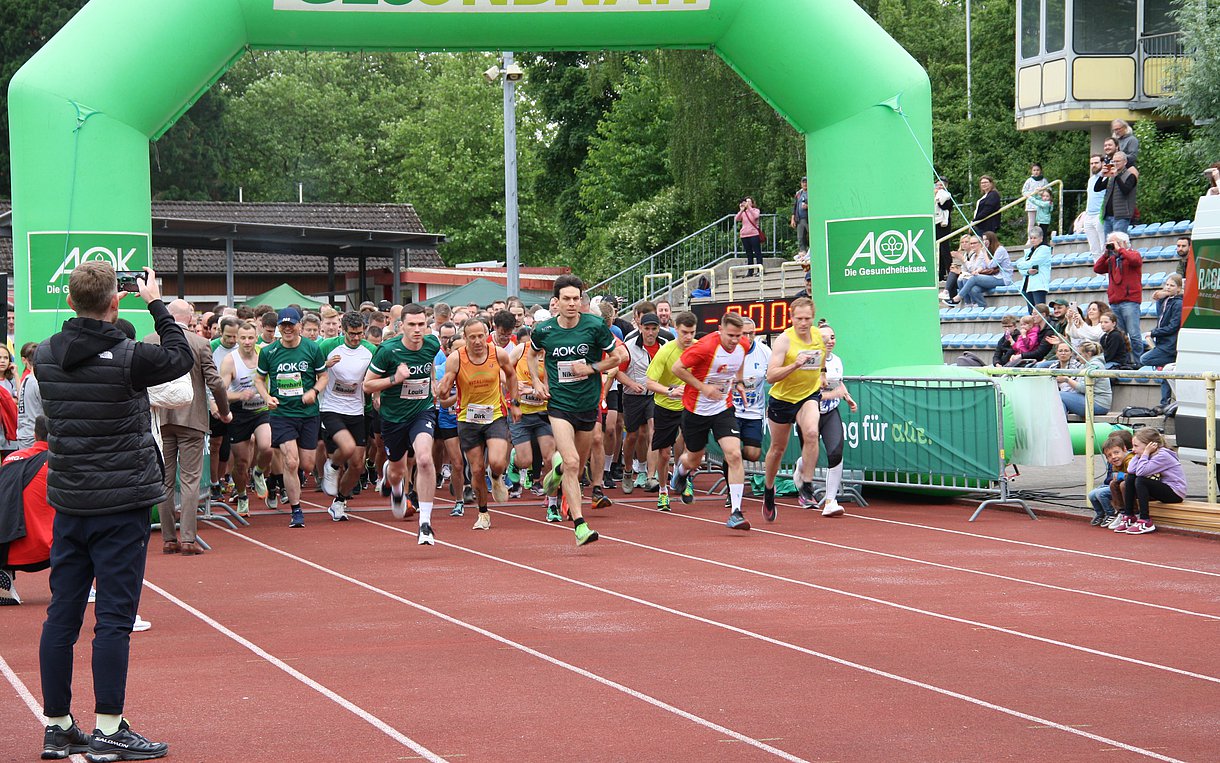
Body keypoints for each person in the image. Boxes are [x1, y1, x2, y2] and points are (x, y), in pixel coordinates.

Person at [35, 263, 189, 761]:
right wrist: (156, 302)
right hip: (120, 503)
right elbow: (179, 357)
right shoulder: (129, 357)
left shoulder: (44, 355)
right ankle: (108, 727)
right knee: (114, 620)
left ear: (72, 300)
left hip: (70, 501)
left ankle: (58, 726)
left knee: (61, 615)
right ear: (115, 301)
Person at [528, 275, 627, 546]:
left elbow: (618, 358)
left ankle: (554, 477)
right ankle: (580, 525)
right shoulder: (544, 330)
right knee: (571, 462)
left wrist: (591, 368)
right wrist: (536, 381)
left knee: (576, 467)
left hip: (588, 406)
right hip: (559, 405)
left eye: (576, 298)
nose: (572, 304)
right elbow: (531, 354)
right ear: (556, 302)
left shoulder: (594, 326)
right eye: (566, 299)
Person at [146, 299, 232, 556]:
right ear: (190, 318)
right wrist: (224, 411)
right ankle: (187, 539)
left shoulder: (150, 340)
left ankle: (168, 538)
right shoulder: (199, 343)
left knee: (164, 478)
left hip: (160, 418)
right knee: (191, 479)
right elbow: (215, 383)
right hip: (191, 418)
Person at [364, 304, 441, 542]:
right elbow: (367, 385)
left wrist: (433, 383)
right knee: (398, 471)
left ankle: (425, 523)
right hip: (394, 417)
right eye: (412, 325)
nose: (417, 330)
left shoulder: (432, 344)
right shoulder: (388, 350)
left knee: (425, 459)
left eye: (421, 324)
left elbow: (428, 369)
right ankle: (396, 489)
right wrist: (395, 379)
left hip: (422, 411)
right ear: (401, 326)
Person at [667, 312, 752, 530]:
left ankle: (736, 511)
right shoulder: (705, 347)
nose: (734, 340)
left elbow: (739, 361)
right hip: (696, 410)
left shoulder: (743, 343)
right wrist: (703, 387)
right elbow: (677, 368)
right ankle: (682, 471)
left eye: (738, 335)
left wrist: (739, 382)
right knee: (695, 459)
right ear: (720, 330)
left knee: (734, 453)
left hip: (723, 407)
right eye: (730, 335)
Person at [436, 317, 520, 535]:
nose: (477, 341)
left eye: (480, 336)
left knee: (497, 462)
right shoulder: (456, 358)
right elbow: (446, 388)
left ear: (486, 335)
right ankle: (483, 513)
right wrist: (443, 389)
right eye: (471, 337)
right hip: (468, 419)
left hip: (495, 415)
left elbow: (512, 375)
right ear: (465, 338)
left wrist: (515, 403)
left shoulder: (498, 354)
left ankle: (497, 477)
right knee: (476, 469)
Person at [253, 307, 328, 529]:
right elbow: (259, 379)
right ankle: (296, 510)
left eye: (291, 325)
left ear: (299, 326)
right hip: (282, 414)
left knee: (307, 464)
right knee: (291, 461)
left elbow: (323, 376)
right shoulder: (269, 352)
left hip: (308, 414)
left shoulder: (312, 348)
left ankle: (278, 480)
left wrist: (313, 392)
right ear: (278, 328)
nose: (287, 329)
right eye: (283, 326)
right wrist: (266, 396)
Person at [762, 297, 826, 515]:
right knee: (778, 448)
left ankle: (806, 485)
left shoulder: (818, 335)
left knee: (811, 432)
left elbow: (822, 359)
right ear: (791, 318)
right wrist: (795, 364)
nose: (803, 323)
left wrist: (823, 374)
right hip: (783, 399)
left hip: (808, 395)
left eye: (807, 318)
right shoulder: (784, 341)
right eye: (799, 318)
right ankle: (769, 489)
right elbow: (770, 376)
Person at [318, 312, 377, 522]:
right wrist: (325, 364)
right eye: (352, 334)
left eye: (360, 333)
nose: (356, 338)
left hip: (357, 410)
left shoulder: (370, 350)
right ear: (343, 330)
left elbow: (376, 375)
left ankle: (340, 502)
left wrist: (376, 395)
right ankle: (332, 466)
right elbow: (312, 369)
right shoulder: (327, 346)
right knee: (347, 447)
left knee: (358, 464)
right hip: (331, 407)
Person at [645, 311, 697, 512]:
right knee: (664, 453)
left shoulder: (699, 347)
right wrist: (670, 391)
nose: (688, 337)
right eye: (684, 332)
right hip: (665, 405)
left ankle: (684, 478)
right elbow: (649, 382)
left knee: (690, 448)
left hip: (690, 405)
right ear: (676, 330)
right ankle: (664, 490)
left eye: (691, 332)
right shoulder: (666, 351)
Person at [219, 321, 272, 518]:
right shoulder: (230, 361)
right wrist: (240, 396)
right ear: (237, 339)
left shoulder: (264, 355)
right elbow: (222, 393)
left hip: (261, 409)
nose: (247, 342)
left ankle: (258, 472)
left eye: (251, 338)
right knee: (240, 463)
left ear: (256, 338)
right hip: (239, 413)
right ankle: (242, 495)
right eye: (243, 338)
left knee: (266, 446)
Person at [508, 327, 560, 520]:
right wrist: (514, 385)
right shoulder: (521, 350)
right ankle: (515, 461)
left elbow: (555, 381)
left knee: (549, 459)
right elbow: (503, 373)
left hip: (543, 413)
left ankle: (552, 505)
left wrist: (544, 389)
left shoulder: (552, 353)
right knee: (525, 460)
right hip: (521, 412)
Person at [619, 312, 665, 494]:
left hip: (654, 395)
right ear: (640, 328)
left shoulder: (664, 346)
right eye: (647, 328)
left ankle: (650, 475)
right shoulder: (629, 347)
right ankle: (628, 470)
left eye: (654, 329)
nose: (650, 332)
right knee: (632, 436)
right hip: (633, 396)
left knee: (654, 430)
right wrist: (632, 383)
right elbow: (618, 372)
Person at [815, 325, 857, 517]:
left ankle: (830, 501)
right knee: (810, 457)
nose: (830, 341)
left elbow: (839, 383)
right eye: (825, 338)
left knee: (835, 452)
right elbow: (809, 395)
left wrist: (846, 397)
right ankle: (799, 472)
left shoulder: (837, 360)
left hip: (831, 412)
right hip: (811, 413)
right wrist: (835, 393)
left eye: (833, 337)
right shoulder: (811, 361)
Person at [728, 317, 770, 506]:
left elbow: (773, 373)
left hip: (754, 412)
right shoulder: (730, 352)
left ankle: (729, 460)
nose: (748, 337)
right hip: (732, 411)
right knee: (734, 453)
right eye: (744, 333)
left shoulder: (764, 352)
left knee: (753, 454)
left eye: (751, 333)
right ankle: (732, 491)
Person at [1114, 429, 1185, 535]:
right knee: (1130, 477)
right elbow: (1131, 470)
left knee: (1141, 480)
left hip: (1175, 492)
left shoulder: (1162, 455)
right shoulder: (1146, 455)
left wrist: (1145, 453)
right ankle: (1129, 515)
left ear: (1149, 445)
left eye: (1136, 446)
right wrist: (1140, 455)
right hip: (1162, 489)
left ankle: (1145, 520)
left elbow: (1141, 472)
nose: (1133, 450)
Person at [1140, 273, 1184, 409]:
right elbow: (1160, 315)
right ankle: (1165, 402)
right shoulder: (1167, 300)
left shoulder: (1178, 303)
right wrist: (1160, 299)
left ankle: (1167, 400)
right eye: (1167, 284)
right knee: (1165, 374)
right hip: (1162, 342)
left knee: (1144, 359)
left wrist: (1153, 332)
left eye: (1172, 285)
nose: (1168, 287)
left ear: (1179, 288)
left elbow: (1173, 326)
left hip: (1169, 345)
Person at [956, 231, 1013, 308]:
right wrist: (977, 271)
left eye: (986, 239)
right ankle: (982, 306)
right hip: (993, 276)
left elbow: (991, 265)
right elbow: (983, 265)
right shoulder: (988, 249)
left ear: (991, 240)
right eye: (983, 240)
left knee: (974, 279)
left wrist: (985, 253)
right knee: (974, 289)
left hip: (1003, 278)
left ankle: (959, 296)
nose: (984, 242)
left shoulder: (1000, 250)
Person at [1090, 431, 1133, 527]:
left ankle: (1113, 513)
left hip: (1131, 486)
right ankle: (1102, 514)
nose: (1113, 456)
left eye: (1116, 452)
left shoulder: (1130, 459)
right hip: (1119, 485)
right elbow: (1112, 477)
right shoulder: (1114, 462)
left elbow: (1133, 475)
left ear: (1124, 448)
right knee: (1092, 493)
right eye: (1109, 455)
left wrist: (1120, 476)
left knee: (1103, 492)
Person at [1058, 341, 1110, 417]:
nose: (1077, 357)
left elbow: (1083, 388)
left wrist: (1067, 379)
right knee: (1059, 401)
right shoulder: (1086, 364)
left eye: (1080, 354)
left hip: (1098, 404)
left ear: (1089, 353)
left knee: (1058, 395)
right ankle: (1062, 424)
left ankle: (1060, 425)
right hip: (1089, 399)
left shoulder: (1095, 365)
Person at [1095, 151, 1138, 236]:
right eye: (1113, 161)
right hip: (1108, 216)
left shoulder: (1130, 176)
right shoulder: (1111, 177)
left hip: (1121, 216)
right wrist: (1102, 176)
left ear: (1125, 162)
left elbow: (1125, 191)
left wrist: (1116, 176)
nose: (1115, 163)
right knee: (1108, 245)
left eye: (1118, 161)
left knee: (1118, 243)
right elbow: (1097, 188)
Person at [1011, 227, 1052, 311]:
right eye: (1031, 238)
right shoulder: (1029, 251)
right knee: (1031, 311)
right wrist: (1027, 271)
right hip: (1027, 285)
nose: (1033, 240)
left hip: (1038, 285)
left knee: (1040, 310)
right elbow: (1022, 269)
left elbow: (1032, 262)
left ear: (1041, 238)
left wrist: (1019, 265)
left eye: (1035, 238)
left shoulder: (1044, 249)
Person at [1083, 154, 1107, 257]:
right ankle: (1099, 273)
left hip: (1099, 215)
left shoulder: (1106, 178)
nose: (1093, 165)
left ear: (1102, 163)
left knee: (1103, 246)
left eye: (1096, 163)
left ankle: (1107, 273)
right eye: (1092, 163)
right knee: (1094, 249)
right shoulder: (1091, 180)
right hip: (1089, 215)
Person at [1021, 164, 1050, 234]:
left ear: (1040, 171)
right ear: (1031, 171)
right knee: (1031, 222)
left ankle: (1040, 237)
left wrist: (1042, 192)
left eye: (1037, 170)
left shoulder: (1044, 181)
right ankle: (1030, 238)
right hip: (1031, 205)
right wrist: (1031, 193)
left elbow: (1049, 191)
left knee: (1040, 222)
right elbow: (1024, 191)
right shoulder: (1029, 181)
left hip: (1041, 205)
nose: (1036, 172)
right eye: (1034, 170)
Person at [934, 181, 954, 281]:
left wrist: (938, 198)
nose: (939, 187)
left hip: (943, 225)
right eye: (938, 185)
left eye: (942, 185)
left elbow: (945, 206)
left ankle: (951, 272)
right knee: (937, 249)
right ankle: (940, 274)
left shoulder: (948, 196)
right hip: (935, 224)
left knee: (944, 248)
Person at [735, 196, 763, 268]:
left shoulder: (755, 210)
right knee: (749, 254)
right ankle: (750, 270)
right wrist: (741, 210)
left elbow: (756, 216)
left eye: (748, 201)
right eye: (746, 201)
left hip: (754, 234)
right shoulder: (744, 212)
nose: (747, 203)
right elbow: (737, 219)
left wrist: (749, 208)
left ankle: (760, 269)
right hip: (744, 235)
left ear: (752, 203)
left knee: (757, 253)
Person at [790, 176, 810, 254]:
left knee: (810, 236)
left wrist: (808, 206)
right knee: (800, 237)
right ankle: (802, 252)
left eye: (806, 182)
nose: (805, 184)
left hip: (809, 218)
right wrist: (793, 218)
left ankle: (812, 252)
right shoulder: (798, 193)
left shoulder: (812, 192)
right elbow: (794, 206)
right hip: (800, 219)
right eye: (803, 182)